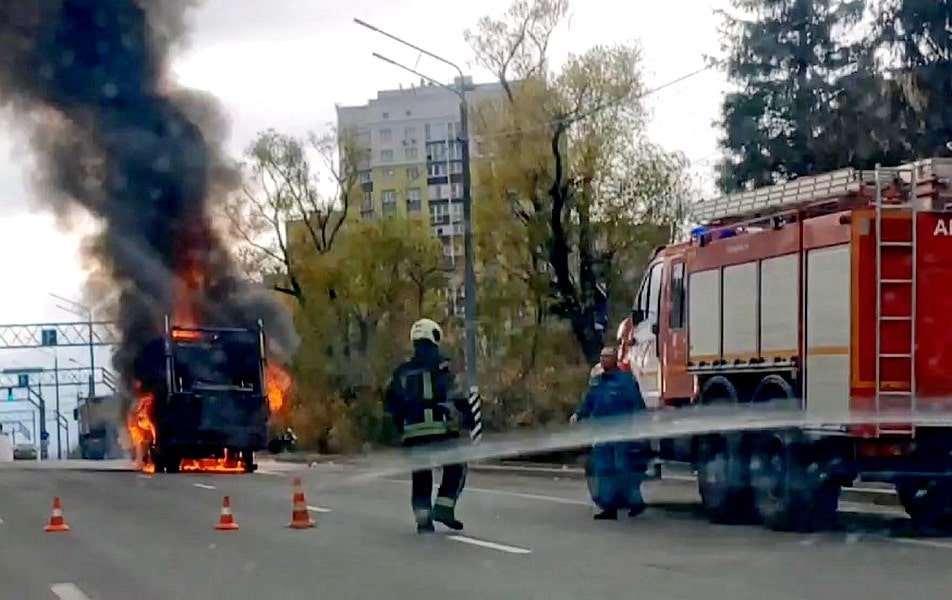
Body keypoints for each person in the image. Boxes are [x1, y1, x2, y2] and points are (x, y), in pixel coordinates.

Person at [385, 318, 472, 533]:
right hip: (440, 430)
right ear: (435, 337)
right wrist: (468, 419)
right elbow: (458, 397)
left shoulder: (402, 372)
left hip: (413, 432)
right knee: (456, 464)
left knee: (421, 475)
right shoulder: (444, 367)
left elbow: (391, 402)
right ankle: (444, 507)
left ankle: (423, 520)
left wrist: (401, 427)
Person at [571, 345, 649, 520]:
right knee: (604, 471)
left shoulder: (626, 380)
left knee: (623, 468)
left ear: (615, 359)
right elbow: (589, 402)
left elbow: (637, 403)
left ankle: (636, 502)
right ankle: (609, 508)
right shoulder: (597, 382)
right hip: (602, 433)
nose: (603, 360)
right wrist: (578, 414)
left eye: (607, 357)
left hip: (622, 432)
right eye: (602, 357)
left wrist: (641, 426)